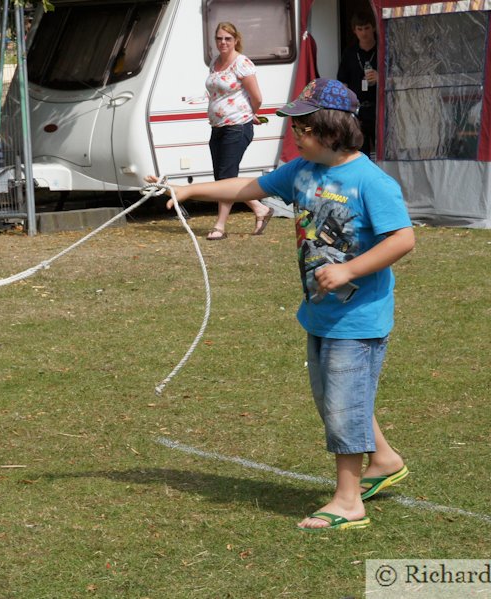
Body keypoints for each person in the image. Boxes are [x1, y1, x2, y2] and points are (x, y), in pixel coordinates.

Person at [148, 78, 415, 530]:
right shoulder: (301, 171)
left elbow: (404, 239)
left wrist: (350, 270)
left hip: (358, 317)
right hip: (320, 312)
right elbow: (248, 187)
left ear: (331, 131)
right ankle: (384, 459)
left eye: (302, 128)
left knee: (344, 403)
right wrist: (188, 192)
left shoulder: (372, 181)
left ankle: (349, 502)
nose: (295, 135)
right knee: (336, 397)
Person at [204, 22, 274, 240]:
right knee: (223, 177)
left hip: (237, 126)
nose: (222, 42)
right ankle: (259, 208)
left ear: (235, 40)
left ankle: (220, 226)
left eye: (227, 38)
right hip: (217, 127)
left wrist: (249, 113)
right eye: (219, 38)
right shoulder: (215, 63)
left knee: (225, 178)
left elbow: (257, 97)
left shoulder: (241, 63)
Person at [336, 12, 378, 157]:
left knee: (383, 152)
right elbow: (343, 82)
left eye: (366, 28)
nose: (363, 33)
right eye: (359, 29)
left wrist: (380, 78)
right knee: (360, 153)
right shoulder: (349, 53)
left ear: (373, 28)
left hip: (379, 109)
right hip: (358, 110)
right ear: (354, 31)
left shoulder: (383, 49)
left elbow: (397, 76)